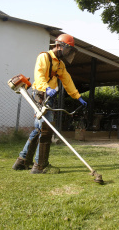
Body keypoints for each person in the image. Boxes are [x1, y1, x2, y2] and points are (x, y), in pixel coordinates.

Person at [12, 34, 87, 174]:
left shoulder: (60, 64)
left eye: (70, 51)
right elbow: (39, 74)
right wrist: (46, 88)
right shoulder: (44, 57)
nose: (69, 53)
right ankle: (40, 166)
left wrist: (77, 96)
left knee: (38, 129)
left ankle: (22, 161)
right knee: (46, 129)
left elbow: (67, 80)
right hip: (40, 95)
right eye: (68, 49)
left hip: (49, 97)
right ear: (59, 46)